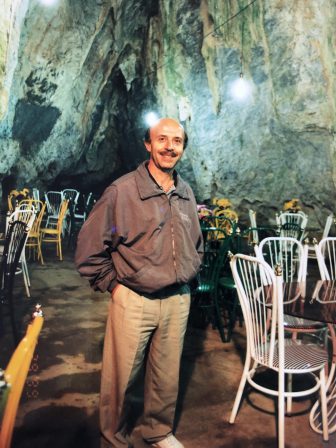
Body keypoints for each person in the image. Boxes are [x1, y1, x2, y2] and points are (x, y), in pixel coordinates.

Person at [75, 117, 203, 448]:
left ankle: (157, 431)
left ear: (183, 149)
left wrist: (188, 272)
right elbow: (90, 248)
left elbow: (196, 243)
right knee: (120, 379)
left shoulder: (186, 192)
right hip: (134, 299)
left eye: (176, 141)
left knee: (166, 375)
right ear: (148, 144)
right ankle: (113, 437)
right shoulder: (123, 191)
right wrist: (114, 286)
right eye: (161, 139)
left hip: (177, 299)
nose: (169, 146)